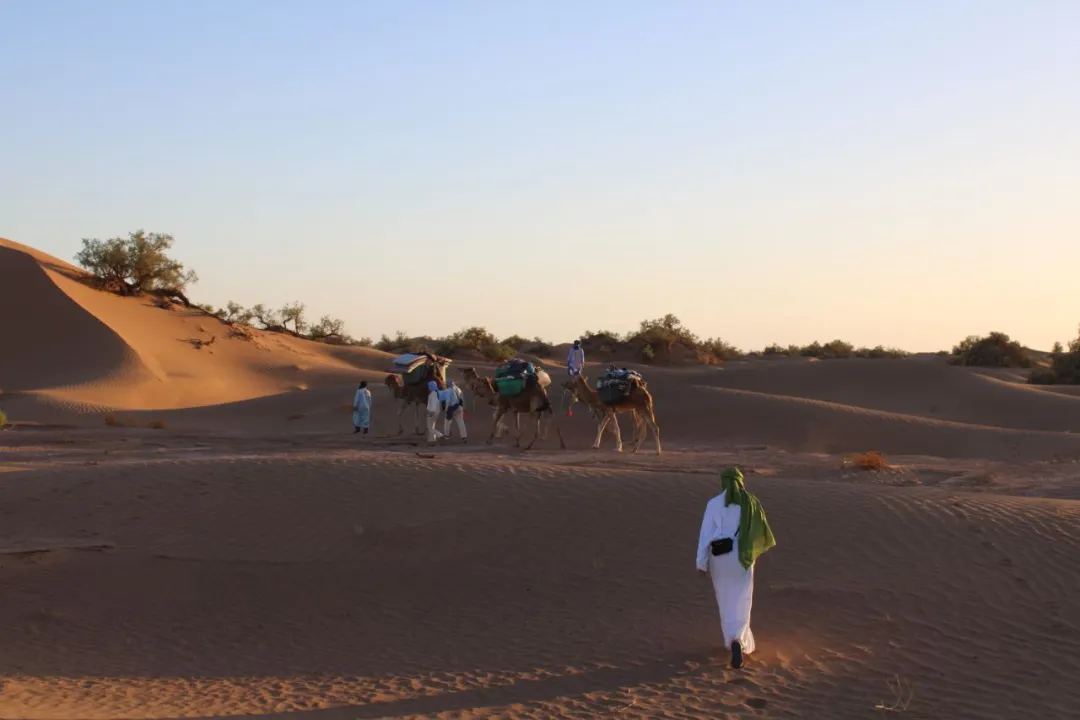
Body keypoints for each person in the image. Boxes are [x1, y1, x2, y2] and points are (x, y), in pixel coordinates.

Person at [695, 467, 776, 669]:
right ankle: (739, 640)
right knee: (742, 597)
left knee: (725, 599)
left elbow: (706, 534)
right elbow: (761, 529)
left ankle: (730, 640)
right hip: (742, 557)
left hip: (719, 557)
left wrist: (701, 562)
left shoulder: (714, 504)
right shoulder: (751, 502)